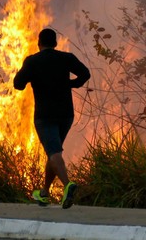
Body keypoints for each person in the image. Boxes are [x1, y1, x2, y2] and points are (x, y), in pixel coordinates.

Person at [13, 27, 90, 209]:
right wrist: (70, 84)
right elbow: (85, 74)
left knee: (54, 152)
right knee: (53, 153)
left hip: (45, 116)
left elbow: (18, 85)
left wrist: (31, 78)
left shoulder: (32, 61)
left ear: (39, 43)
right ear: (55, 43)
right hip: (66, 115)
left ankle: (67, 185)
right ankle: (45, 193)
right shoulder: (66, 58)